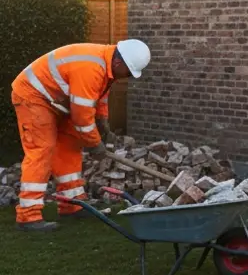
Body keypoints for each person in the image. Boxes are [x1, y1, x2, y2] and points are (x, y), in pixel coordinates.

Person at [10, 40, 151, 231]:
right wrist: (95, 145)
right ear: (119, 63)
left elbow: (98, 98)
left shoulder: (107, 67)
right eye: (128, 73)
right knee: (43, 150)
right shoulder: (90, 68)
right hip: (34, 96)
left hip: (58, 101)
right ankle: (28, 216)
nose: (128, 78)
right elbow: (81, 118)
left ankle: (72, 205)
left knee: (69, 148)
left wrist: (103, 123)